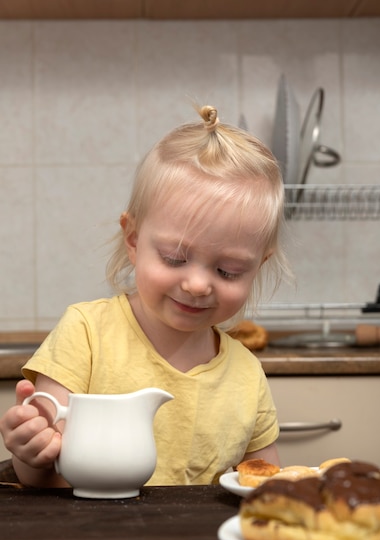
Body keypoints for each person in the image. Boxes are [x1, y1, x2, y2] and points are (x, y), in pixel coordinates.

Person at [0, 105, 290, 489]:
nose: (198, 285)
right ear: (134, 240)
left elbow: (265, 486)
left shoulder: (246, 375)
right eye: (175, 258)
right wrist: (29, 450)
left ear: (258, 266)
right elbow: (39, 477)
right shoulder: (86, 333)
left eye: (228, 271)